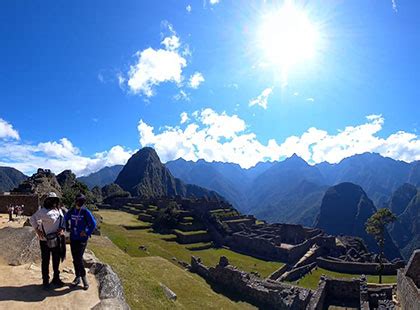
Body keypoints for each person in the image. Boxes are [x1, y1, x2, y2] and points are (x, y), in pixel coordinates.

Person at [29, 192, 65, 289]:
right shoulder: (43, 211)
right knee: (45, 261)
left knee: (56, 260)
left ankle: (56, 278)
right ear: (48, 201)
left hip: (56, 239)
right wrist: (37, 230)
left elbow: (63, 220)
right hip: (45, 240)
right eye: (51, 200)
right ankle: (45, 281)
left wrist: (62, 228)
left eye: (55, 200)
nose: (53, 202)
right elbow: (32, 219)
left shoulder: (59, 210)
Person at [64, 193, 97, 290]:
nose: (79, 203)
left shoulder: (85, 212)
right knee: (75, 259)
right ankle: (77, 277)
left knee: (78, 258)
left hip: (82, 240)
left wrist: (86, 232)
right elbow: (65, 218)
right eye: (78, 201)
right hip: (73, 238)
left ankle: (83, 277)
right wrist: (67, 227)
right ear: (76, 201)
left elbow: (93, 224)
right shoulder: (72, 211)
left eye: (81, 202)